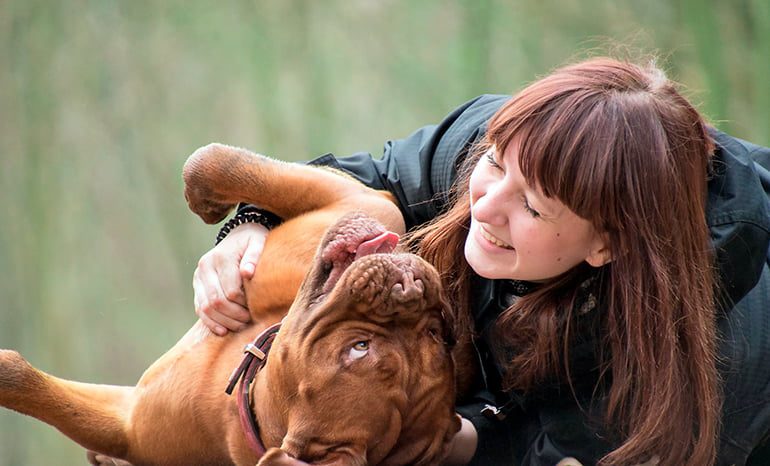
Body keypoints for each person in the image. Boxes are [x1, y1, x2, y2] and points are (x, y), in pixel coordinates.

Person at [192, 57, 770, 465]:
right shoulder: (514, 144)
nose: (483, 205)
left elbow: (542, 450)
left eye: (534, 208)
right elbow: (379, 179)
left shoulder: (685, 378)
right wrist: (250, 223)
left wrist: (447, 439)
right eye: (495, 164)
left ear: (608, 244)